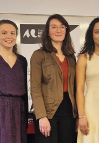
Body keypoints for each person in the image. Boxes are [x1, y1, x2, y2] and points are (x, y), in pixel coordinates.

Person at [30, 14, 77, 143]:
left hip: (69, 111)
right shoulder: (38, 55)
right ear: (47, 31)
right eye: (54, 27)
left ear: (66, 31)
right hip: (48, 111)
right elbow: (35, 88)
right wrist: (41, 116)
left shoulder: (71, 57)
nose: (58, 30)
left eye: (62, 27)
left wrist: (78, 115)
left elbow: (75, 87)